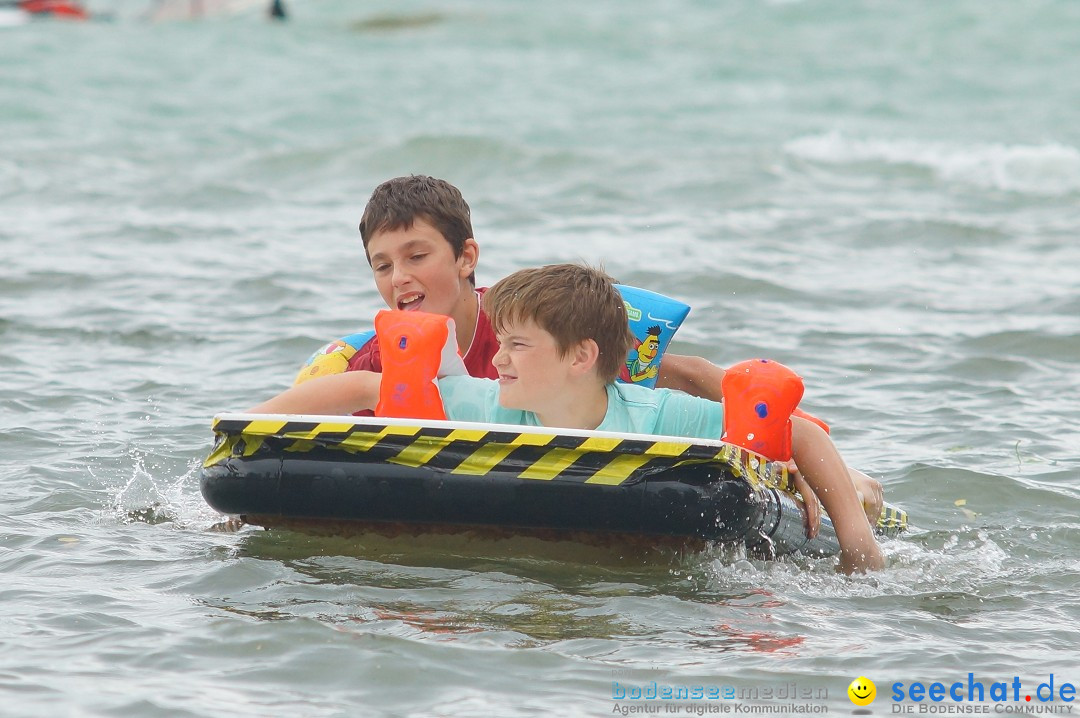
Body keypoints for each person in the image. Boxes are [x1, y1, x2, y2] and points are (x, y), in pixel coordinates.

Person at [292, 174, 883, 520]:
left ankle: (851, 474)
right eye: (382, 265)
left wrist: (791, 452)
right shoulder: (381, 359)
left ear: (466, 258)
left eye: (417, 256)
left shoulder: (530, 325)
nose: (400, 278)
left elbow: (681, 374)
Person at [250, 264, 886, 575]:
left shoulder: (657, 414)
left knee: (844, 497)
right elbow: (363, 383)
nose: (495, 360)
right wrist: (245, 432)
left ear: (583, 357)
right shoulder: (488, 404)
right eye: (499, 343)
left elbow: (798, 431)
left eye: (517, 346)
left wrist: (855, 540)